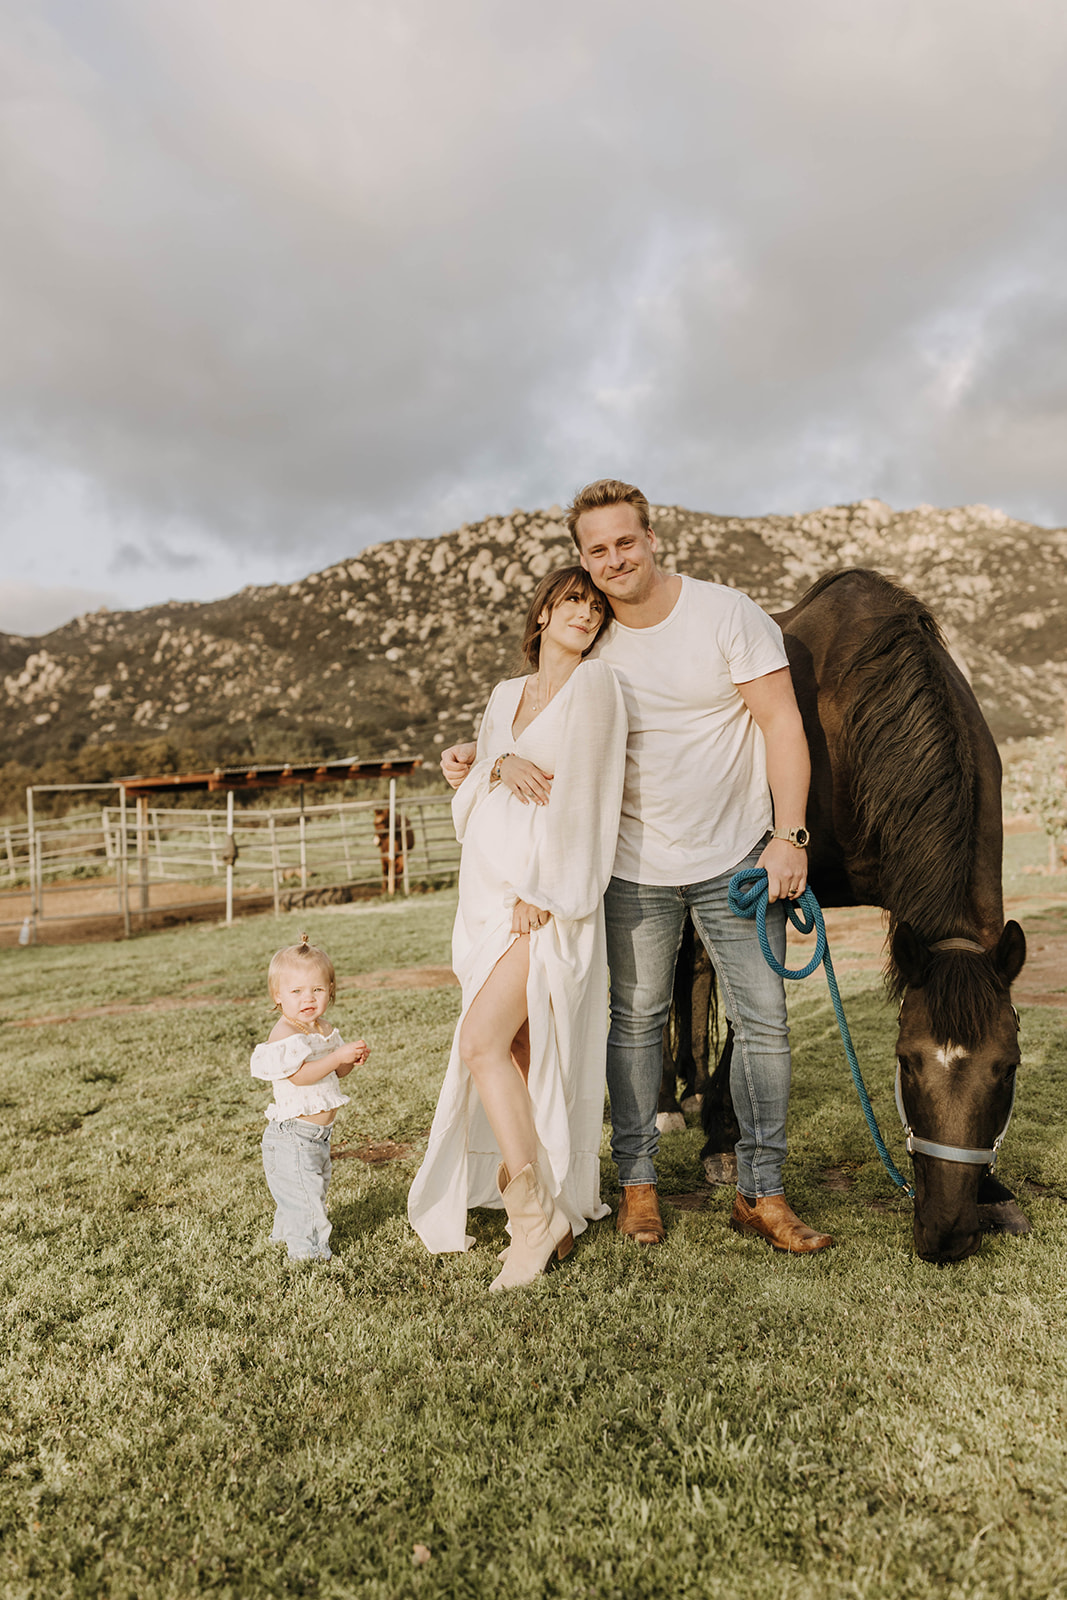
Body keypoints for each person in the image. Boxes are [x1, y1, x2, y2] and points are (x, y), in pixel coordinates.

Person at [442, 480, 832, 1256]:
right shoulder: (591, 636)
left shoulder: (726, 614)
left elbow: (782, 724)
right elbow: (540, 719)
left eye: (625, 542)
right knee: (635, 1027)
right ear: (580, 560)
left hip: (735, 858)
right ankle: (638, 1186)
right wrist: (484, 756)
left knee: (763, 1026)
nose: (613, 561)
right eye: (596, 550)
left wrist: (790, 836)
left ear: (650, 539)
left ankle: (761, 1191)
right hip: (630, 869)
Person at [408, 566, 628, 1290]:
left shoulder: (596, 688)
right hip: (483, 896)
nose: (587, 614)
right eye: (573, 600)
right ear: (542, 614)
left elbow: (589, 800)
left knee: (480, 1042)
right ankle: (546, 1212)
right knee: (519, 1050)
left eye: (596, 607)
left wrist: (547, 892)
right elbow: (474, 797)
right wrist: (494, 759)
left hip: (541, 901)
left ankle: (532, 1220)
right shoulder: (505, 696)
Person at [251, 933, 370, 1261]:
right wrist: (335, 1057)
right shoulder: (285, 1035)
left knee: (302, 1193)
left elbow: (333, 1072)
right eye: (297, 991)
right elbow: (300, 1076)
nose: (308, 999)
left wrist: (349, 1061)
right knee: (307, 1198)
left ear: (330, 990)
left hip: (317, 1137)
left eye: (317, 989)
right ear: (278, 995)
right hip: (292, 1138)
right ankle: (311, 1256)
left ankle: (282, 1237)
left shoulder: (321, 1028)